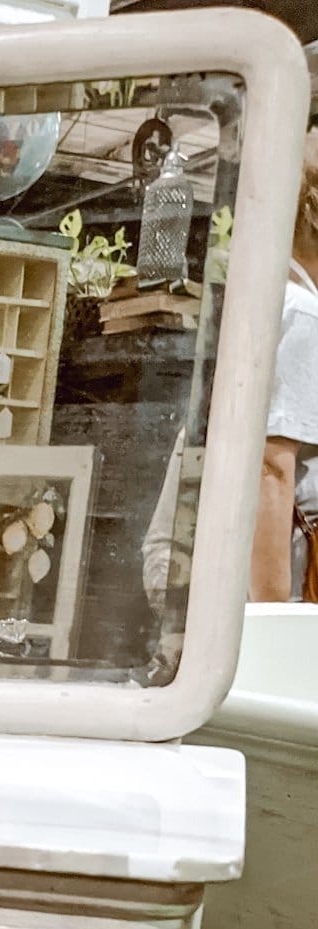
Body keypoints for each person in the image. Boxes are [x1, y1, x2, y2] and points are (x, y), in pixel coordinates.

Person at [249, 129, 318, 602]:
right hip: (291, 581)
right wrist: (271, 628)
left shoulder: (276, 295)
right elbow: (271, 469)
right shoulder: (301, 312)